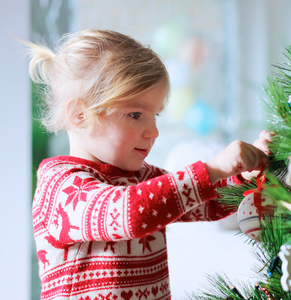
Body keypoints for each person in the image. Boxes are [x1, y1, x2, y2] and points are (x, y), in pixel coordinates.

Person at [26, 29, 272, 300]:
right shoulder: (61, 186)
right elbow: (129, 213)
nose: (153, 131)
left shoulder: (141, 178)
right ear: (80, 115)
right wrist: (213, 168)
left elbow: (209, 204)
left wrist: (243, 174)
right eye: (135, 114)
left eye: (155, 115)